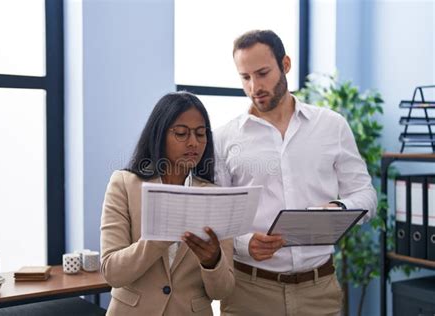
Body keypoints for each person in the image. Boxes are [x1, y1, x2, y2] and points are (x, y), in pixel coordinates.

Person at [214, 30, 377, 316]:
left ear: (286, 64)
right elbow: (217, 215)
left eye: (263, 73)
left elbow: (367, 196)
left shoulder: (332, 126)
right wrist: (244, 243)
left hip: (319, 290)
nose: (255, 87)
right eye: (245, 77)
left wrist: (337, 209)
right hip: (248, 293)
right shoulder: (224, 139)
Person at [100, 91, 234, 316]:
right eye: (181, 133)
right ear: (159, 134)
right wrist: (156, 239)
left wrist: (212, 261)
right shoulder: (124, 184)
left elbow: (223, 291)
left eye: (201, 134)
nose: (193, 142)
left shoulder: (216, 196)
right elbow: (112, 272)